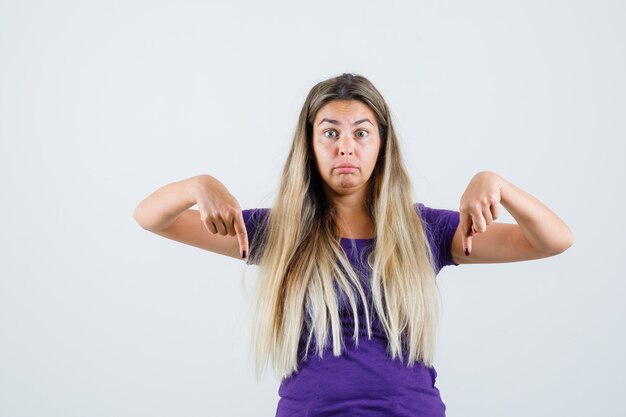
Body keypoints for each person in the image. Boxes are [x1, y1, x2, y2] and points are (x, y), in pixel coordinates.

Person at [133, 73, 574, 416]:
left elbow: (553, 240)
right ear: (309, 144)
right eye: (330, 132)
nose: (346, 146)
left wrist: (494, 183)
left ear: (381, 145)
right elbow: (152, 218)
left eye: (361, 133)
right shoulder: (279, 232)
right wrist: (198, 185)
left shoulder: (424, 231)